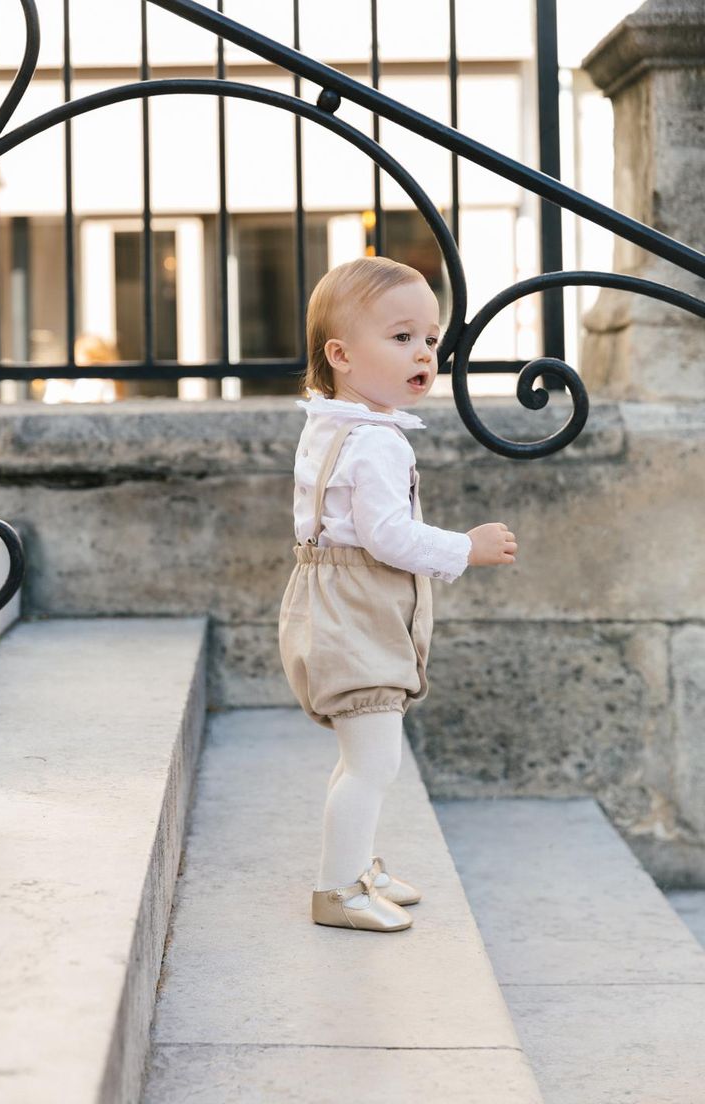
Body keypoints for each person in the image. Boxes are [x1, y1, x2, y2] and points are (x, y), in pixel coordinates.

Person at [279, 256, 518, 933]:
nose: (423, 352)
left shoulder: (335, 424)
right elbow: (386, 536)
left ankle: (355, 865)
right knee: (375, 762)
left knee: (362, 757)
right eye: (401, 337)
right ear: (342, 355)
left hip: (333, 605)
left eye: (431, 340)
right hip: (354, 615)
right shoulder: (375, 443)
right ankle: (336, 891)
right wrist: (464, 547)